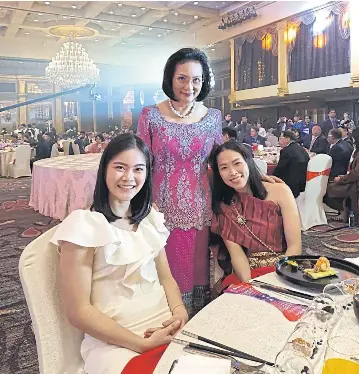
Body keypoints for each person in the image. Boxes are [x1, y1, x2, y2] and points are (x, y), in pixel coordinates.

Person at [49, 134, 188, 373]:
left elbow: (166, 279)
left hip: (164, 328)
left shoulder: (150, 219)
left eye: (138, 169)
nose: (129, 177)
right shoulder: (84, 225)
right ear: (104, 170)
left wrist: (179, 314)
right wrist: (141, 344)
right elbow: (78, 311)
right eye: (120, 167)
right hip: (115, 342)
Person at [137, 47, 223, 316]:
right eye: (182, 78)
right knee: (166, 268)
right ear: (170, 79)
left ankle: (194, 319)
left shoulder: (212, 117)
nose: (190, 86)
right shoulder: (151, 115)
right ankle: (167, 315)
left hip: (199, 207)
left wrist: (255, 174)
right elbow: (140, 163)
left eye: (196, 79)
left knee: (197, 269)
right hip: (160, 209)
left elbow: (220, 160)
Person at [210, 142, 301, 282]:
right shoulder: (225, 207)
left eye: (237, 163)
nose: (233, 172)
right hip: (251, 274)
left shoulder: (280, 191)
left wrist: (281, 279)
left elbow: (295, 245)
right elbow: (237, 256)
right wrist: (251, 286)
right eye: (224, 168)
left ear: (248, 162)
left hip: (285, 267)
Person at [326, 128, 359, 222]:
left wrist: (341, 179)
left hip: (355, 184)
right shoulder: (349, 146)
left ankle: (343, 211)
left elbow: (356, 174)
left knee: (329, 188)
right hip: (350, 178)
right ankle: (344, 212)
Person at [273, 131, 310, 198]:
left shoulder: (286, 151)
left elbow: (279, 169)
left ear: (287, 139)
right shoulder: (302, 149)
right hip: (304, 183)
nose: (279, 141)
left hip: (291, 185)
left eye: (280, 138)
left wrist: (271, 178)